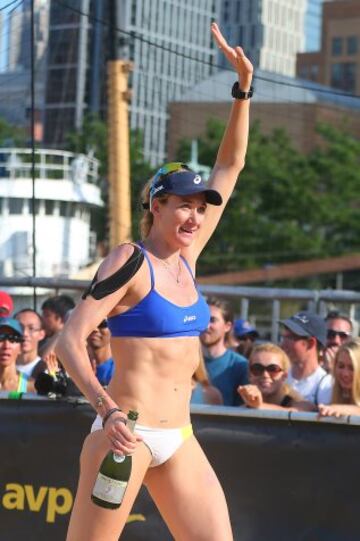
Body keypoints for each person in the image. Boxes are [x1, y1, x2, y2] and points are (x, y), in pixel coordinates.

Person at [55, 22, 253, 541]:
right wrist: (108, 409)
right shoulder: (130, 259)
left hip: (178, 437)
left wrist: (242, 91)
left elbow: (230, 165)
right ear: (157, 205)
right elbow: (68, 339)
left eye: (199, 208)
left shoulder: (189, 258)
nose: (194, 217)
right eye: (183, 205)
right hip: (127, 436)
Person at [200, 296, 248, 406]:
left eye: (212, 320)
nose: (206, 326)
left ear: (227, 326)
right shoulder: (186, 360)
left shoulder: (240, 365)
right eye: (203, 319)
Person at [238, 342, 314, 411]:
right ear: (249, 375)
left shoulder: (299, 403)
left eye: (273, 369)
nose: (265, 375)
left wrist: (259, 406)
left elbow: (296, 411)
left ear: (284, 376)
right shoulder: (241, 407)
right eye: (257, 368)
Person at [280, 311, 330, 405]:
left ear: (311, 343)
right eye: (283, 337)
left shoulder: (326, 385)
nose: (283, 344)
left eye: (290, 338)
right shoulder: (277, 375)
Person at [318, 339, 360, 418]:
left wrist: (339, 409)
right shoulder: (328, 391)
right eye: (341, 366)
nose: (345, 374)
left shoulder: (335, 408)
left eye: (352, 368)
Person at [0, 317, 34, 393]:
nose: (6, 346)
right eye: (1, 338)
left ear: (21, 347)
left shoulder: (31, 387)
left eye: (13, 339)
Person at [14, 308, 47, 379]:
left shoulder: (46, 370)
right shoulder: (3, 368)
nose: (25, 333)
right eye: (20, 327)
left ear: (41, 334)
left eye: (31, 328)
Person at [87, 320, 114, 387]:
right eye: (90, 324)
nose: (95, 329)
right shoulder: (74, 366)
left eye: (102, 324)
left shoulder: (120, 369)